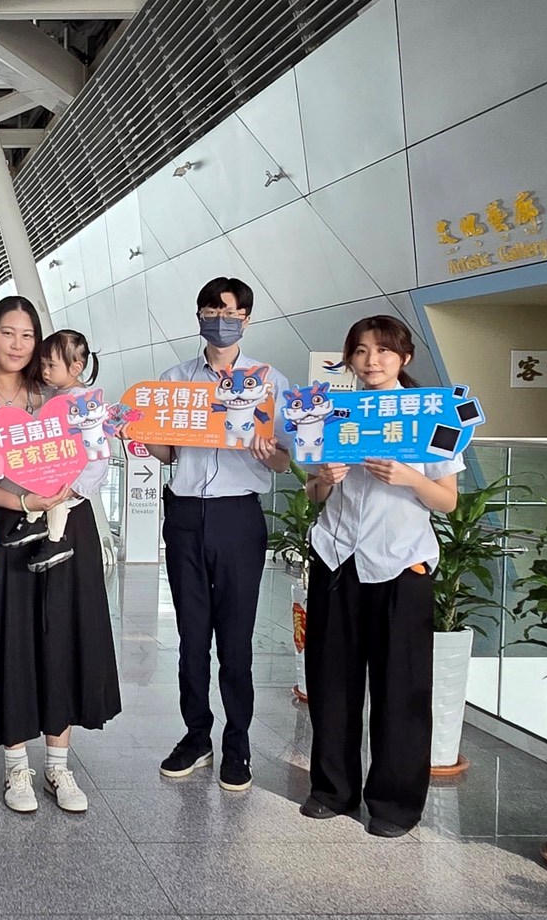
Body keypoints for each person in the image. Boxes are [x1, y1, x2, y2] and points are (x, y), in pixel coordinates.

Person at [0, 296, 120, 814]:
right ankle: (17, 770)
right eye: (9, 333)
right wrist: (22, 500)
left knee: (64, 637)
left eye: (28, 336)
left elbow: (94, 450)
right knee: (13, 640)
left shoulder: (55, 395)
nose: (18, 345)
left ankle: (58, 767)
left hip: (70, 524)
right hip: (10, 528)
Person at [300, 315, 461, 838]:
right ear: (348, 357)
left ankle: (394, 805)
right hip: (337, 559)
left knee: (400, 689)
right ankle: (332, 790)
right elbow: (314, 495)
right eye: (362, 350)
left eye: (384, 351)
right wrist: (322, 478)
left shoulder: (431, 415)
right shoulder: (332, 413)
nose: (372, 360)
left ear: (405, 358)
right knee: (332, 683)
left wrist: (411, 476)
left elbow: (449, 502)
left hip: (401, 563)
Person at [146, 276, 290, 792]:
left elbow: (283, 461)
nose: (218, 317)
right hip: (184, 514)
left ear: (246, 317)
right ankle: (196, 735)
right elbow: (167, 453)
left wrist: (266, 450)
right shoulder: (175, 379)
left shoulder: (270, 380)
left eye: (228, 310)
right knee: (190, 636)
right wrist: (140, 438)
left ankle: (239, 743)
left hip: (237, 516)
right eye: (209, 308)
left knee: (235, 637)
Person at [4, 329, 104, 573]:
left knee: (54, 492)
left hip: (71, 476)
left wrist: (79, 485)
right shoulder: (55, 394)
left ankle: (53, 539)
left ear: (75, 368)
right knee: (47, 488)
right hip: (55, 467)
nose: (45, 371)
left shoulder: (84, 401)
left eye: (51, 365)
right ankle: (37, 526)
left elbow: (97, 447)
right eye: (43, 364)